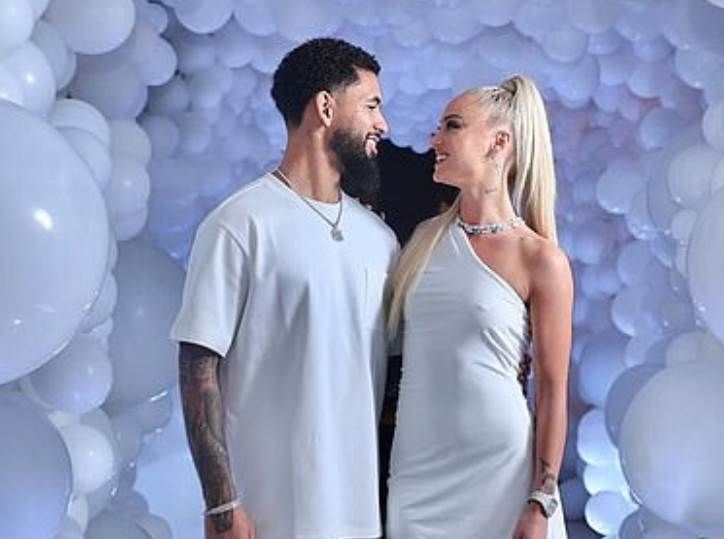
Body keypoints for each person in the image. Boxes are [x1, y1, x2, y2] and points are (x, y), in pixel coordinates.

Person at [171, 38, 398, 539]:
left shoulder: (381, 241)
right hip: (266, 517)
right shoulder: (238, 224)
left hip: (360, 518)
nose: (382, 124)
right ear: (326, 107)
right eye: (372, 106)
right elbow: (197, 368)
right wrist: (222, 505)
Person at [386, 75, 572, 539]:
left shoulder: (540, 259)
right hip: (416, 474)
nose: (435, 140)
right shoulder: (422, 241)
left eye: (452, 126)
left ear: (498, 142)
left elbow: (552, 390)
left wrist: (541, 501)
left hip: (502, 476)